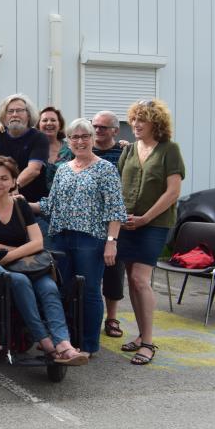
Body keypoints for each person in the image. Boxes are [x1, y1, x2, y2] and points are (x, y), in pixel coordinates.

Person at [0, 156, 89, 366]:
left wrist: (10, 254)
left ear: (13, 182)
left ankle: (64, 344)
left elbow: (37, 242)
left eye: (4, 178)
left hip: (22, 262)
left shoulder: (20, 204)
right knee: (19, 282)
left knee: (49, 287)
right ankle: (46, 343)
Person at [29, 118, 127, 358]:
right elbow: (50, 205)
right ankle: (64, 340)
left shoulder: (105, 169)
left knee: (90, 292)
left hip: (90, 241)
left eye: (85, 136)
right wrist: (20, 204)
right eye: (75, 137)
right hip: (60, 239)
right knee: (61, 291)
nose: (80, 141)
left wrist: (111, 242)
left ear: (93, 139)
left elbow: (115, 209)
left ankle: (88, 344)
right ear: (68, 141)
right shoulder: (63, 169)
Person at [117, 99, 184, 365]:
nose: (135, 124)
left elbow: (173, 192)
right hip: (127, 223)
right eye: (134, 119)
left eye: (141, 120)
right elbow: (117, 186)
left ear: (156, 123)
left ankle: (147, 343)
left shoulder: (170, 150)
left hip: (154, 224)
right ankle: (141, 334)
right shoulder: (130, 150)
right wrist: (120, 217)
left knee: (140, 278)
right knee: (132, 279)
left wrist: (145, 218)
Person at [91, 110, 127, 337]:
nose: (97, 130)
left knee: (114, 270)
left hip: (114, 219)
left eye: (103, 127)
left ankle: (112, 318)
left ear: (115, 130)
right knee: (91, 272)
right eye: (94, 126)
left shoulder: (124, 151)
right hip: (89, 220)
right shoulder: (87, 149)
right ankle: (90, 317)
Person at [0, 94, 49, 203]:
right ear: (4, 116)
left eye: (19, 110)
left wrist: (13, 187)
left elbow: (34, 170)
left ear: (28, 115)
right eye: (10, 111)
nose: (14, 115)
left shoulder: (39, 137)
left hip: (31, 205)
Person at [37, 106, 74, 194]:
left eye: (53, 120)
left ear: (59, 125)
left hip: (65, 201)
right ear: (38, 125)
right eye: (45, 120)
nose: (49, 123)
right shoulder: (31, 148)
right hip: (35, 201)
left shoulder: (70, 149)